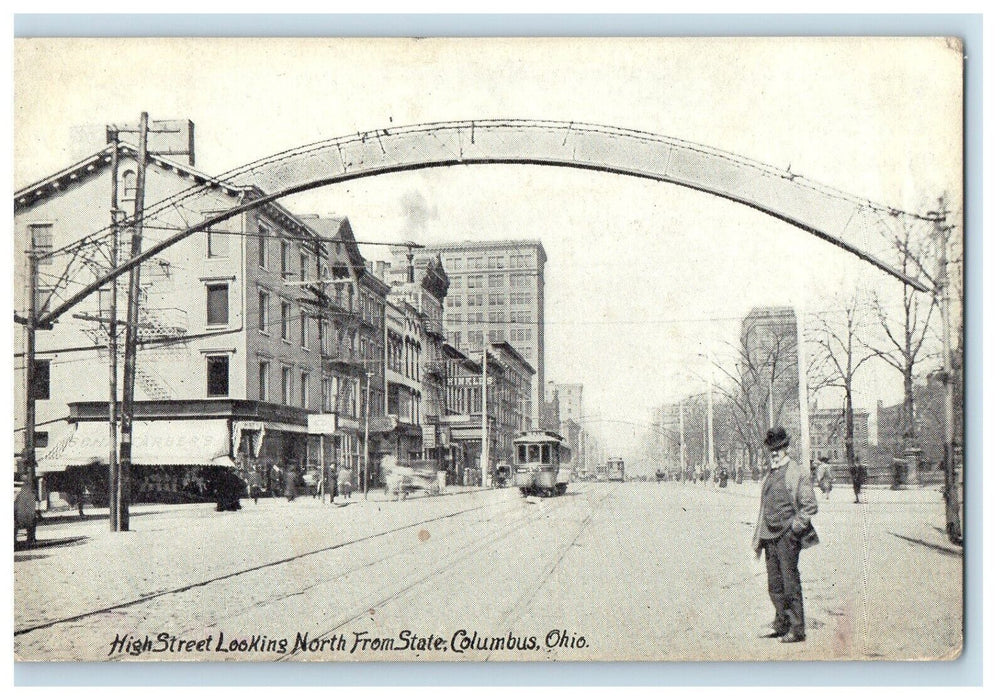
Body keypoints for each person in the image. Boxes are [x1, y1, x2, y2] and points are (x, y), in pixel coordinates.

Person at [752, 427, 819, 644]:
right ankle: (781, 623)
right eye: (772, 449)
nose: (774, 453)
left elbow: (809, 505)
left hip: (786, 536)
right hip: (769, 535)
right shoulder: (771, 473)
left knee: (790, 582)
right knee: (774, 584)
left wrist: (795, 528)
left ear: (786, 448)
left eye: (778, 449)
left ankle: (797, 628)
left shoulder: (796, 471)